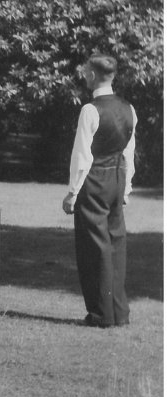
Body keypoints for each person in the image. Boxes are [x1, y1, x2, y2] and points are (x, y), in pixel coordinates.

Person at [62, 55, 137, 328]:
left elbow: (82, 156)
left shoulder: (90, 110)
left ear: (93, 75)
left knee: (94, 248)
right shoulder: (129, 108)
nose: (84, 75)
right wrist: (126, 188)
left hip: (94, 181)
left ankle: (101, 314)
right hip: (117, 177)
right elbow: (129, 152)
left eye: (86, 72)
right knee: (116, 244)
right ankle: (119, 313)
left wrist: (72, 193)